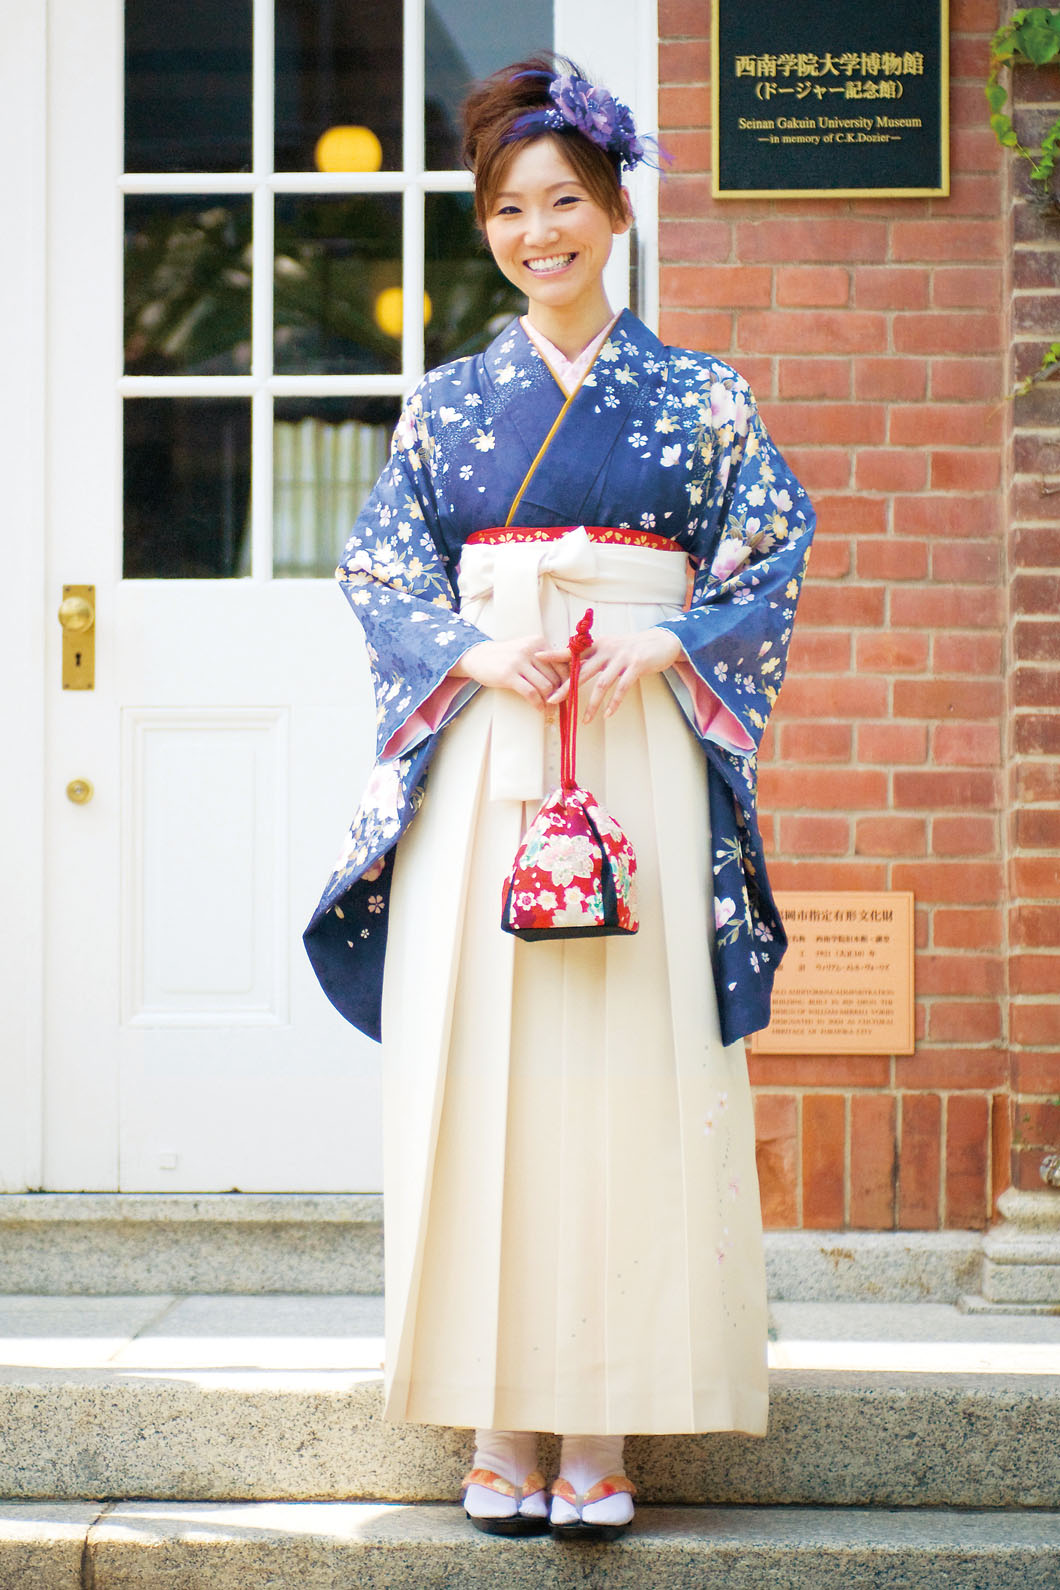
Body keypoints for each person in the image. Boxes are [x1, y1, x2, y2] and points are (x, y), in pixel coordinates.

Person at [305, 54, 815, 1542]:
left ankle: (603, 1422)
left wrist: (674, 632)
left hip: (637, 743)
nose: (543, 233)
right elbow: (380, 570)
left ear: (617, 213)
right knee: (484, 1079)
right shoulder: (451, 404)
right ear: (490, 228)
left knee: (626, 1084)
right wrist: (471, 647)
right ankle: (496, 1413)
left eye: (570, 204)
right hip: (493, 754)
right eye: (515, 210)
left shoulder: (702, 401)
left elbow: (770, 555)